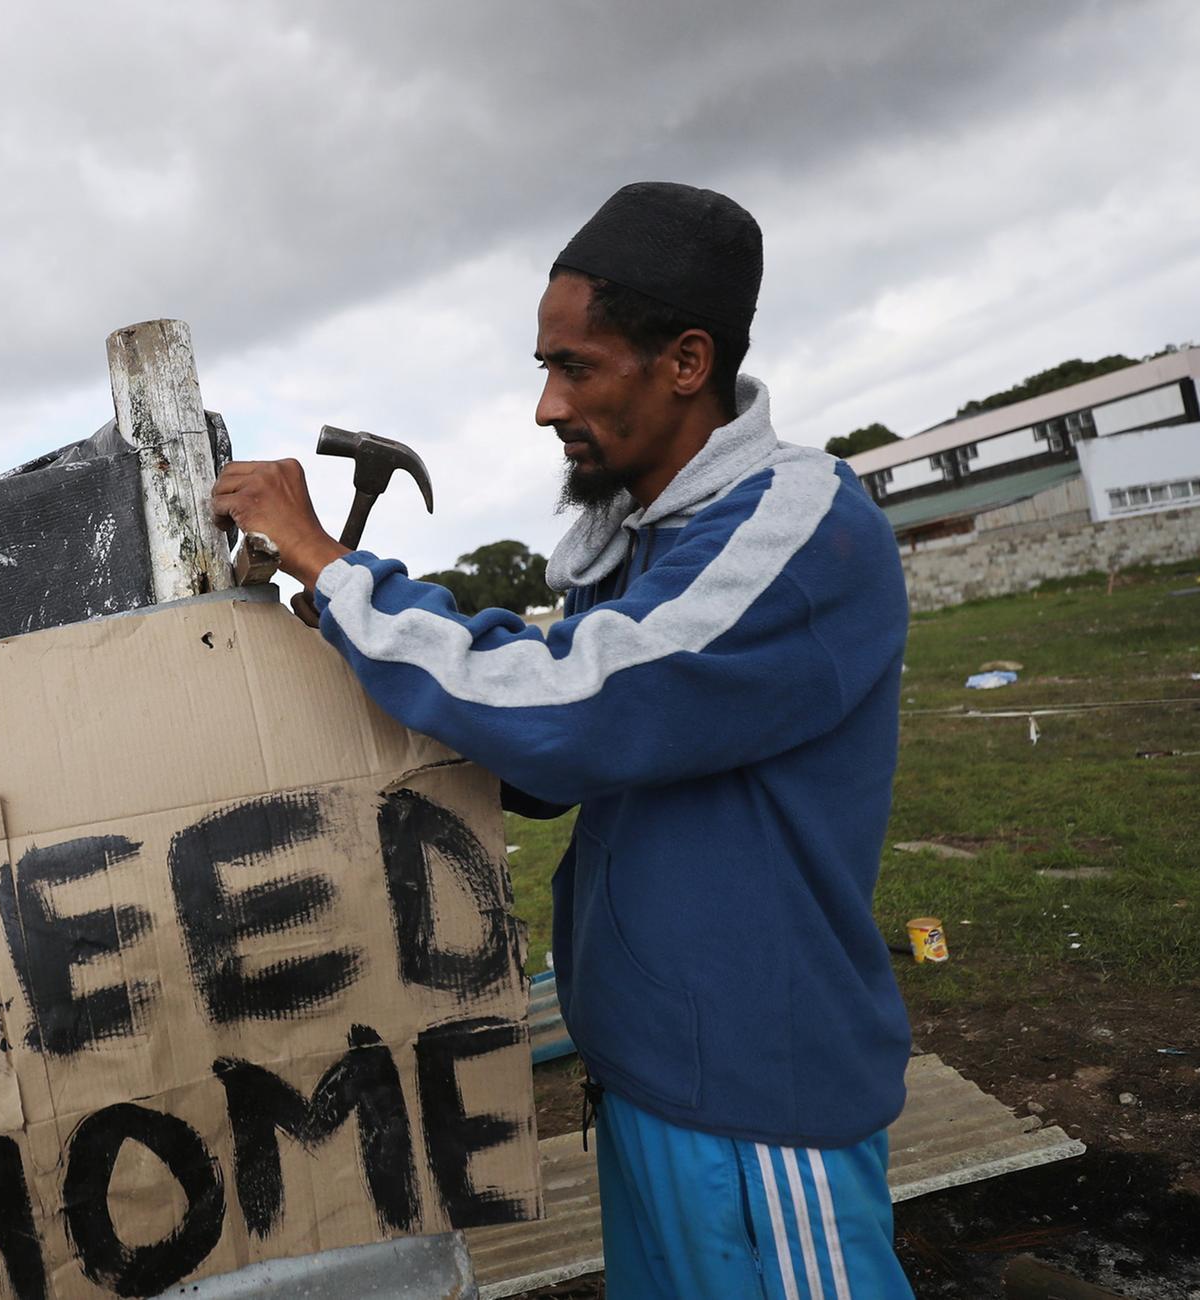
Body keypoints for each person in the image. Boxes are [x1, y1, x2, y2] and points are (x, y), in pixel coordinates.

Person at [211, 181, 914, 1299]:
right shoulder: (655, 539)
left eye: (573, 367)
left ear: (686, 362)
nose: (545, 406)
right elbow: (543, 756)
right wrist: (346, 629)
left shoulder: (796, 523)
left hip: (754, 1101)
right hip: (653, 1078)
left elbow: (573, 707)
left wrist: (334, 567)